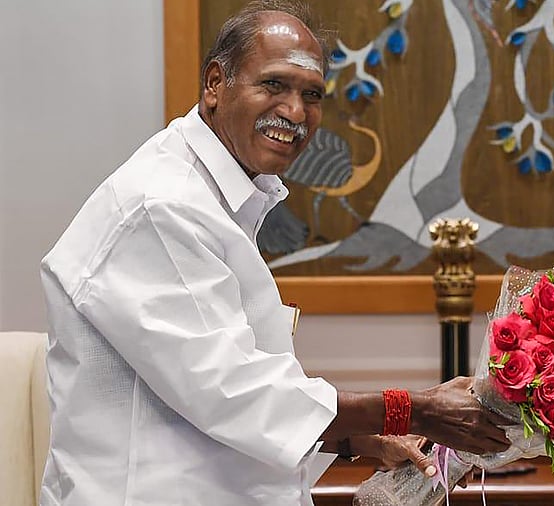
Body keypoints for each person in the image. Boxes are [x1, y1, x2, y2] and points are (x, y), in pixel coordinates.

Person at [38, 2, 509, 505]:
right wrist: (413, 410)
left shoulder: (215, 197)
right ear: (215, 83)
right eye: (274, 85)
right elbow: (231, 392)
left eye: (312, 95)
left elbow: (233, 389)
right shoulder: (162, 204)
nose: (295, 111)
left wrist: (353, 437)